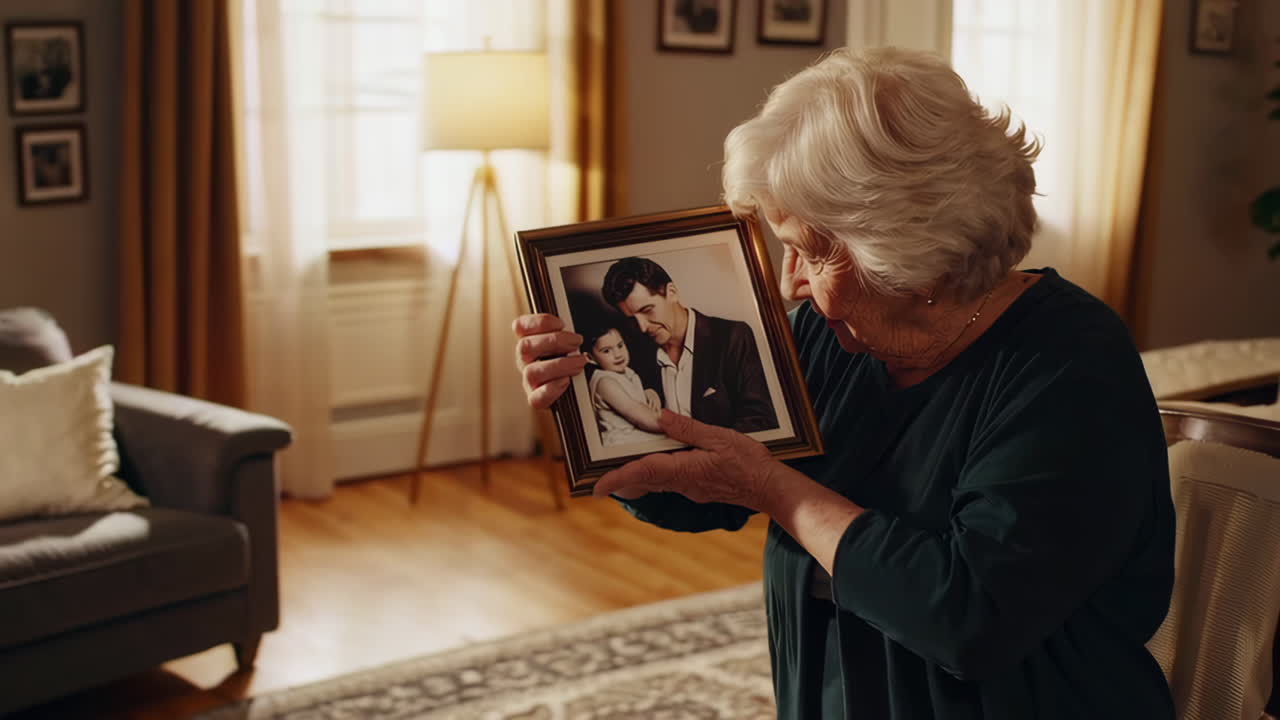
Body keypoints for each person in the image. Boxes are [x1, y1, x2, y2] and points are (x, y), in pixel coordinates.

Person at [512, 46, 1175, 719]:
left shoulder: (1070, 364)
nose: (788, 281)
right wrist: (605, 425)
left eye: (813, 250)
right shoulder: (830, 338)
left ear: (912, 249)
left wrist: (773, 487)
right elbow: (712, 493)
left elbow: (971, 618)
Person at [599, 256, 779, 434]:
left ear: (672, 292)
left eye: (647, 310)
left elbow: (761, 420)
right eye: (632, 319)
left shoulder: (732, 336)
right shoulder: (630, 353)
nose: (643, 327)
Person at [582, 325, 666, 446]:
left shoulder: (627, 372)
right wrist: (677, 427)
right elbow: (640, 416)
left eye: (620, 346)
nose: (618, 354)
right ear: (590, 357)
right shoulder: (605, 382)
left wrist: (649, 392)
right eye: (606, 351)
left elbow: (635, 397)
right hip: (623, 441)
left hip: (640, 435)